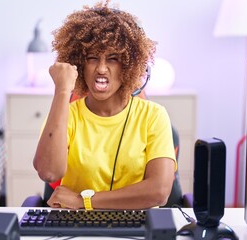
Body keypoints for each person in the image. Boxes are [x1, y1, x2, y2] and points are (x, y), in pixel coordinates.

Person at [33, 0, 177, 210]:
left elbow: (159, 192)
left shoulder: (154, 115)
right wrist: (63, 90)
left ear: (129, 64)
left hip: (136, 225)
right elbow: (49, 173)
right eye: (92, 58)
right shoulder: (66, 114)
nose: (101, 68)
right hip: (75, 225)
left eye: (112, 58)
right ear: (79, 64)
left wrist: (84, 201)